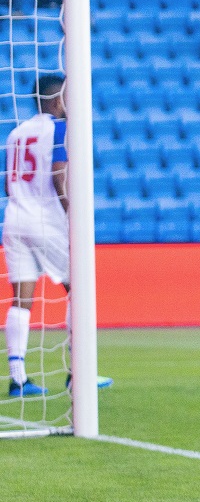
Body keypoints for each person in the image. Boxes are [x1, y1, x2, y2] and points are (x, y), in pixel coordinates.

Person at [4, 76, 112, 397]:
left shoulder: (14, 134)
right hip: (45, 219)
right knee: (78, 288)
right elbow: (58, 175)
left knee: (21, 299)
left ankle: (17, 378)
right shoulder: (59, 128)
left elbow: (8, 183)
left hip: (14, 218)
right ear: (56, 101)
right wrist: (71, 211)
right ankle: (77, 373)